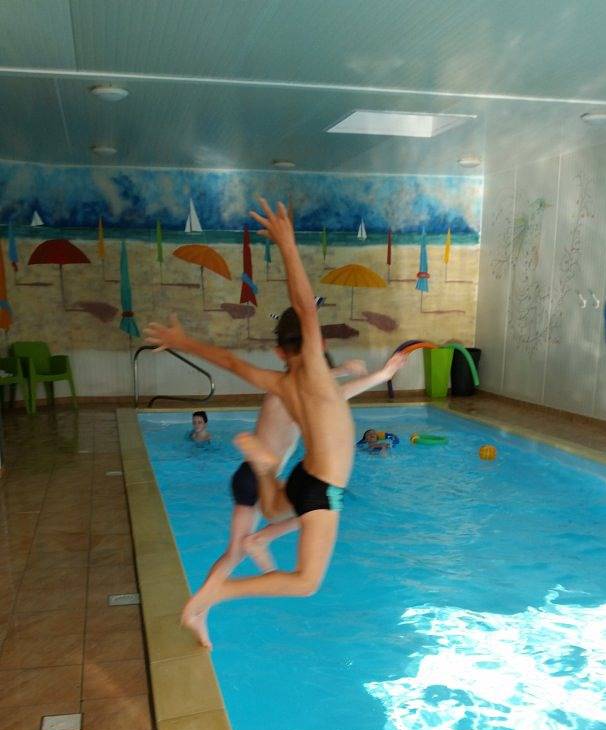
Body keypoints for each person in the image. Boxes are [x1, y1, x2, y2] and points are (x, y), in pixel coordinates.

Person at [145, 197, 409, 648]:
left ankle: (266, 469)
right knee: (305, 581)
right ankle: (223, 589)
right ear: (313, 343)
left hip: (306, 477)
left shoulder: (281, 383)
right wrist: (287, 243)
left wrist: (182, 340)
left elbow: (228, 360)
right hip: (322, 484)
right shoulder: (322, 380)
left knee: (273, 513)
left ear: (280, 351)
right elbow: (306, 307)